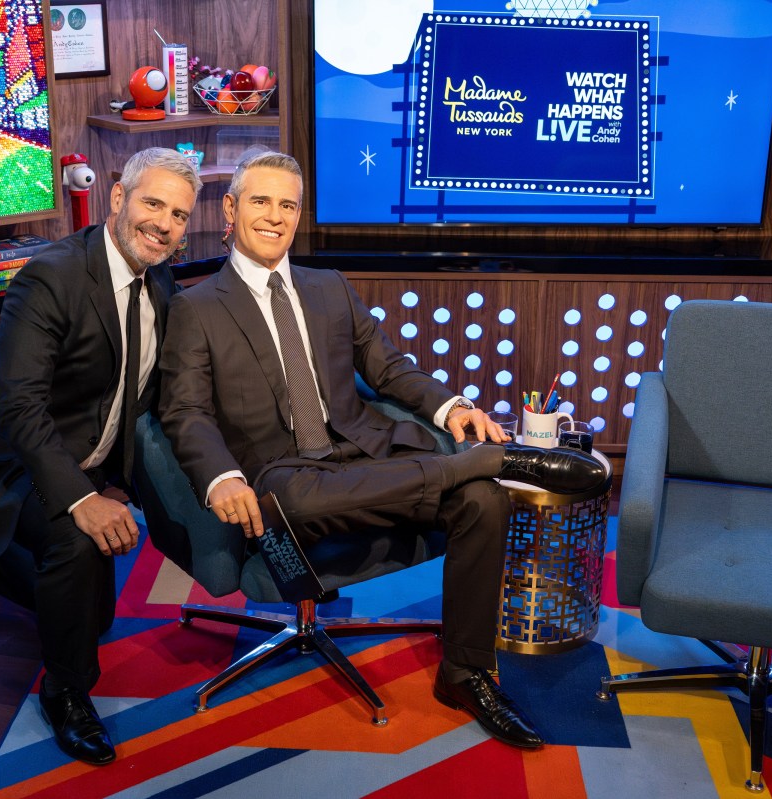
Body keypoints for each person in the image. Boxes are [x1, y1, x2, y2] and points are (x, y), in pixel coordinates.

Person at [158, 151, 605, 748]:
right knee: (294, 498)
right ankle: (494, 461)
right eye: (260, 202)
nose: (274, 217)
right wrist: (221, 480)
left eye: (287, 205)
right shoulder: (197, 306)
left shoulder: (330, 288)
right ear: (232, 210)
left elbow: (389, 369)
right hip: (282, 476)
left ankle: (466, 673)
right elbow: (184, 411)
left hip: (365, 455)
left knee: (482, 502)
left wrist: (455, 408)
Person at [0, 147, 202, 766]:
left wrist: (115, 484)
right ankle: (66, 692)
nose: (165, 223)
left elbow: (139, 398)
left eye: (180, 215)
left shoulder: (160, 280)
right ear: (117, 198)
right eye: (153, 204)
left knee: (96, 614)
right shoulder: (50, 276)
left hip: (89, 461)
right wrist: (83, 498)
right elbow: (19, 408)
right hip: (13, 466)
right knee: (80, 549)